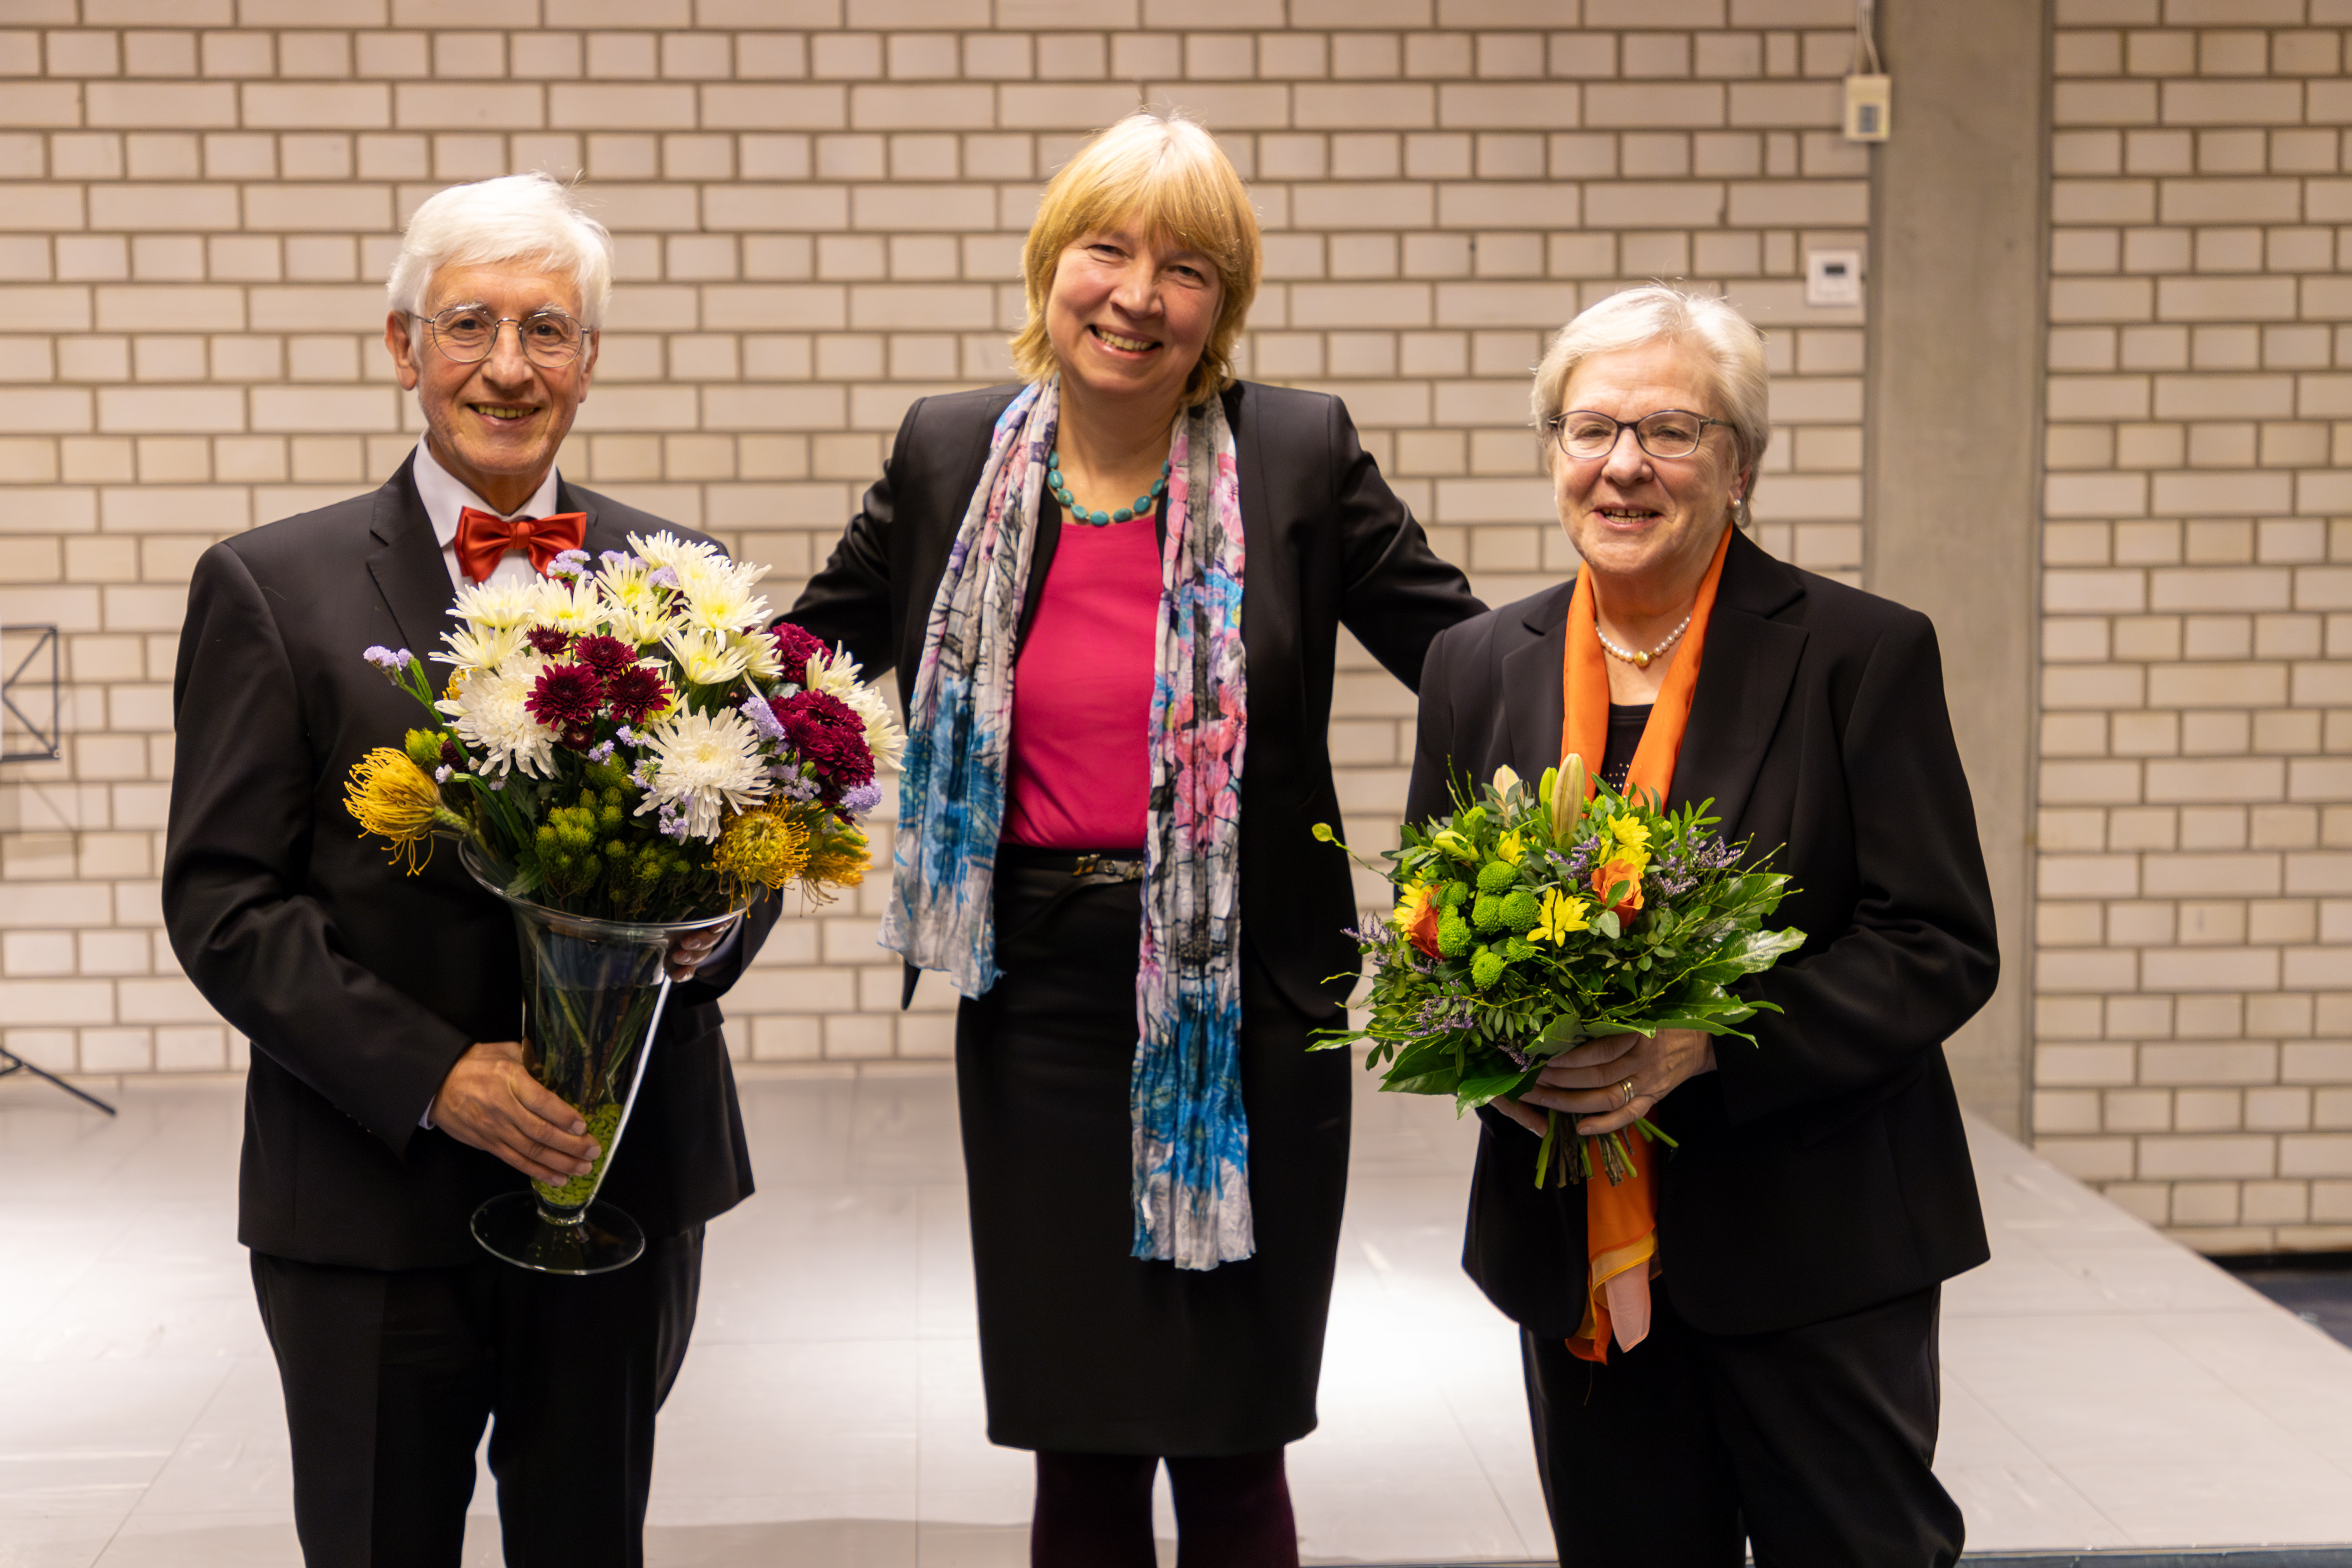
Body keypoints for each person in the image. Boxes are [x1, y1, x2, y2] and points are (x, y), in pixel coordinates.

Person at [786, 109, 1483, 1566]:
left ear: (1222, 306)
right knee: (1080, 1439)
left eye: (1185, 267)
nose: (1137, 292)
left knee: (1232, 1440)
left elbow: (1467, 656)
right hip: (1034, 998)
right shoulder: (948, 452)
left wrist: (1637, 688)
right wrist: (613, 698)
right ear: (1052, 266)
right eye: (1105, 248)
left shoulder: (1294, 452)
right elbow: (798, 650)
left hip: (1250, 1001)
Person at [162, 172, 776, 1568]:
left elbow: (750, 846)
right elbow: (225, 905)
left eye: (548, 328)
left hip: (617, 1183)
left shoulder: (688, 580)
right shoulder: (271, 587)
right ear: (404, 348)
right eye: (470, 325)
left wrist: (713, 926)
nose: (509, 367)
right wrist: (437, 1075)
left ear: (591, 359)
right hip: (373, 1196)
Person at [1406, 284, 1998, 1568]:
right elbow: (1431, 929)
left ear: (1740, 466)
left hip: (1815, 1242)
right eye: (1592, 427)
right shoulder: (1476, 664)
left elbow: (1938, 939)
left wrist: (1707, 1041)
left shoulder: (1859, 653)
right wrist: (1499, 1055)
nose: (1624, 465)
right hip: (1575, 1248)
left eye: (1672, 431)